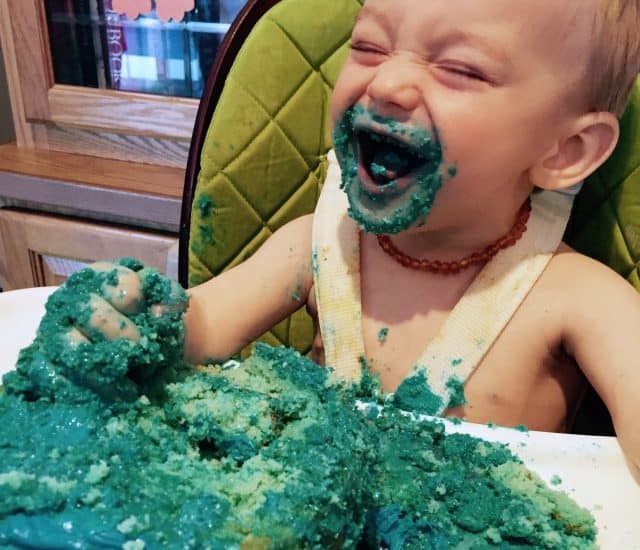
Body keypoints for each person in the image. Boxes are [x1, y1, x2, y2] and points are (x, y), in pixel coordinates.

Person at [56, 0, 640, 480]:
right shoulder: (320, 244)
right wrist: (139, 318)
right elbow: (204, 325)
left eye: (461, 69)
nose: (386, 82)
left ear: (566, 152)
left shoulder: (574, 296)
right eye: (368, 47)